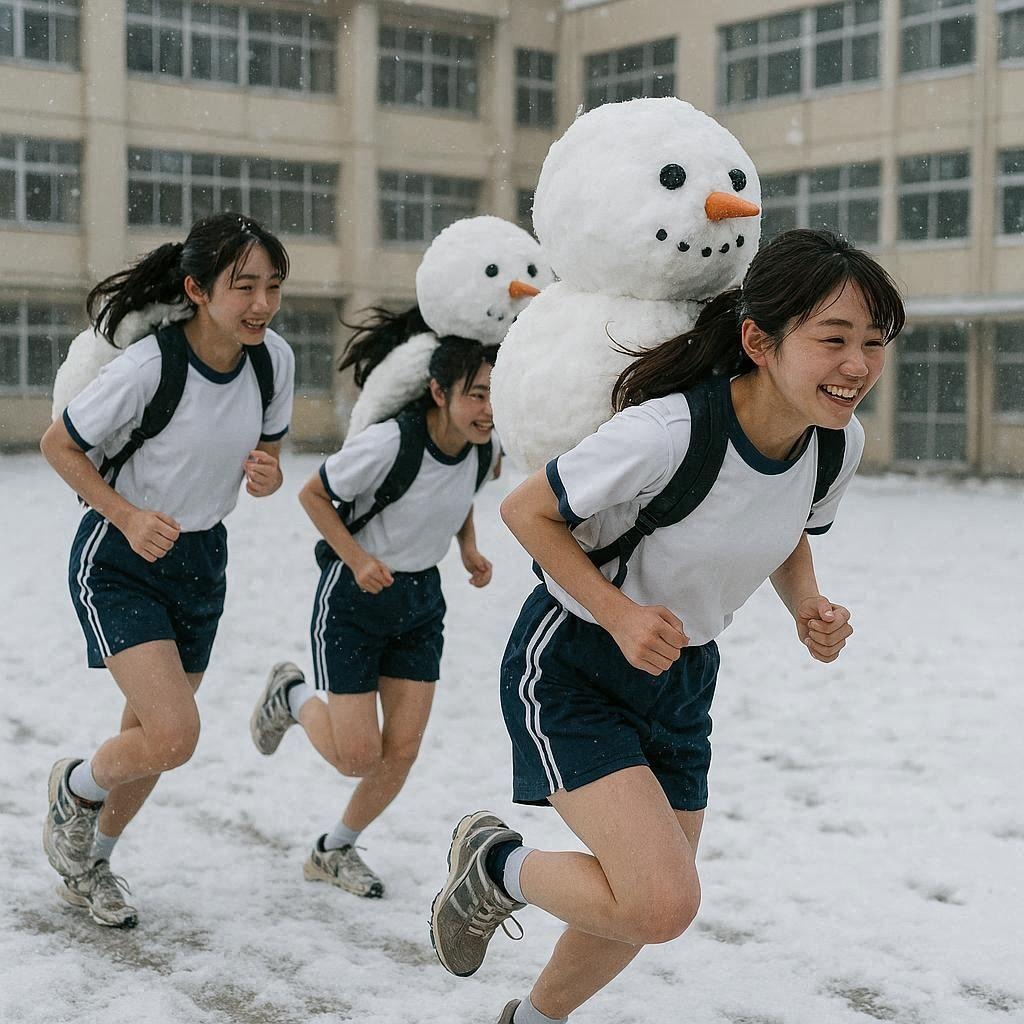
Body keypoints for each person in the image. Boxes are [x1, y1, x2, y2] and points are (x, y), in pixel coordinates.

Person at [428, 229, 905, 1024]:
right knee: (659, 901)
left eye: (873, 343)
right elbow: (528, 512)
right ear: (759, 339)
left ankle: (536, 1019)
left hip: (683, 675)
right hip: (575, 661)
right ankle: (496, 863)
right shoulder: (669, 432)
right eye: (834, 339)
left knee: (643, 897)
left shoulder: (832, 444)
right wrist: (616, 615)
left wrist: (808, 606)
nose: (857, 365)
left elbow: (784, 524)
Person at [40, 213, 295, 929]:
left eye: (272, 286)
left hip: (202, 559)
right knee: (173, 735)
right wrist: (124, 514)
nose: (261, 304)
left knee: (149, 733)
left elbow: (266, 454)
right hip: (120, 558)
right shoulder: (151, 366)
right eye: (243, 286)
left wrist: (267, 474)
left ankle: (93, 863)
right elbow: (59, 446)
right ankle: (75, 789)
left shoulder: (273, 360)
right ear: (197, 289)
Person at [250, 337, 499, 898]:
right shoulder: (390, 444)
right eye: (477, 394)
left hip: (420, 602)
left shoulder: (484, 446)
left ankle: (334, 849)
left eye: (495, 395)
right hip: (354, 599)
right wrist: (358, 559)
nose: (488, 409)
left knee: (402, 749)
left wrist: (468, 548)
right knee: (357, 757)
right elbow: (313, 495)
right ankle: (290, 697)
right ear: (438, 393)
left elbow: (459, 496)